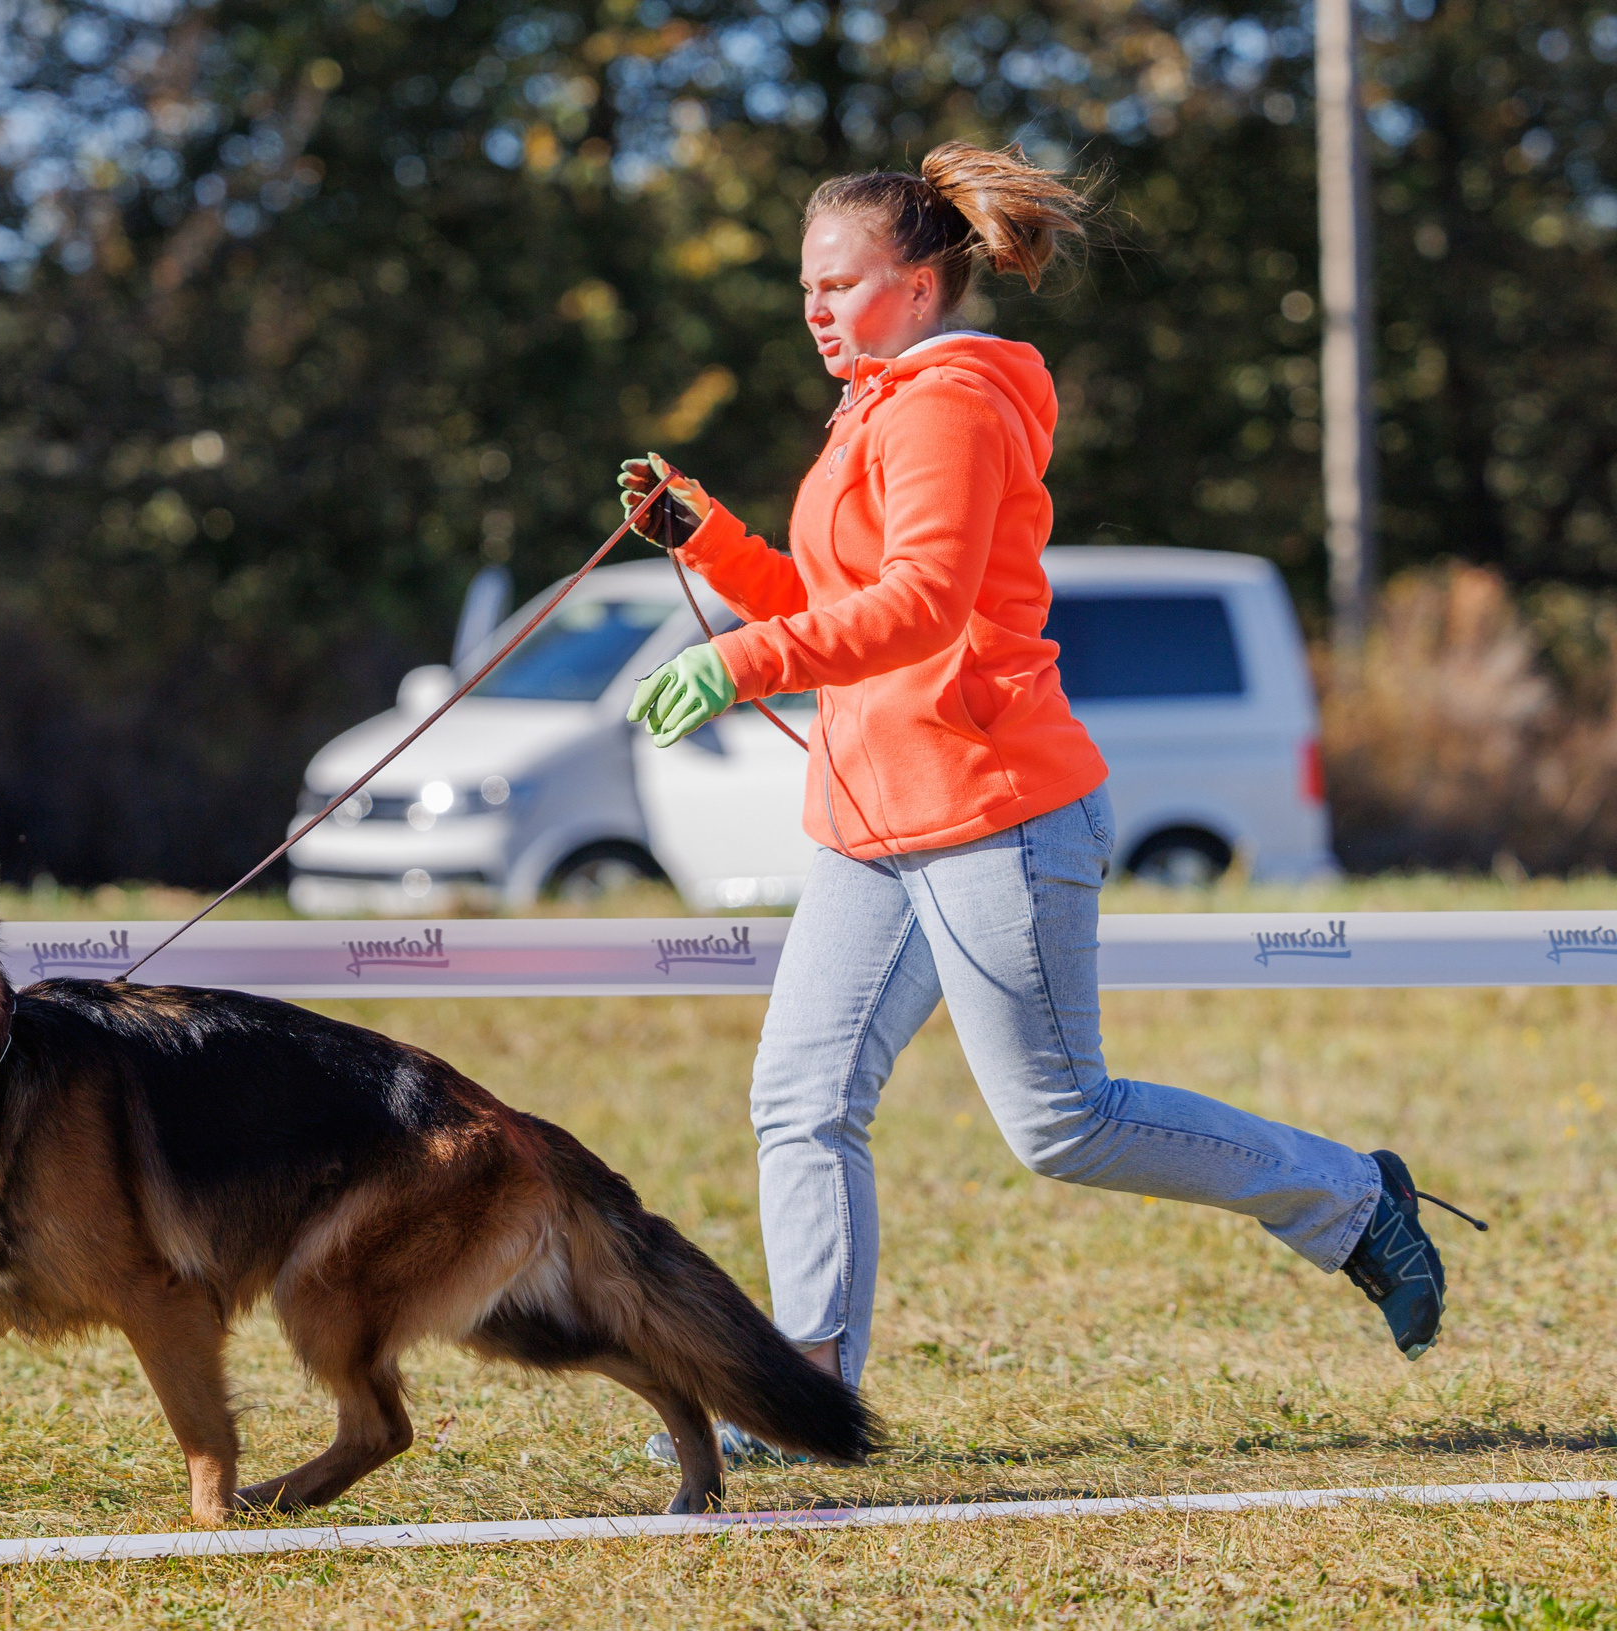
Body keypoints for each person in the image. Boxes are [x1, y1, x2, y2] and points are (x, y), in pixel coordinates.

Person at [616, 142, 1485, 1471]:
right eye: (805, 288)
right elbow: (828, 602)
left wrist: (734, 662)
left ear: (919, 284)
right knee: (800, 1099)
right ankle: (804, 1402)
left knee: (1061, 1125)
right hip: (871, 817)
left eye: (839, 286)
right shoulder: (878, 402)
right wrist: (709, 544)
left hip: (991, 806)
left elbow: (924, 608)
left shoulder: (949, 403)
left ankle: (1356, 1199)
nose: (814, 310)